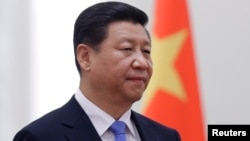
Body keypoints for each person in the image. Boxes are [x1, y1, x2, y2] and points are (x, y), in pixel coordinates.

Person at [13, 1, 181, 141]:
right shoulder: (40, 137)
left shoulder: (166, 136)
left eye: (146, 51)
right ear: (85, 57)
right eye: (127, 48)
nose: (142, 63)